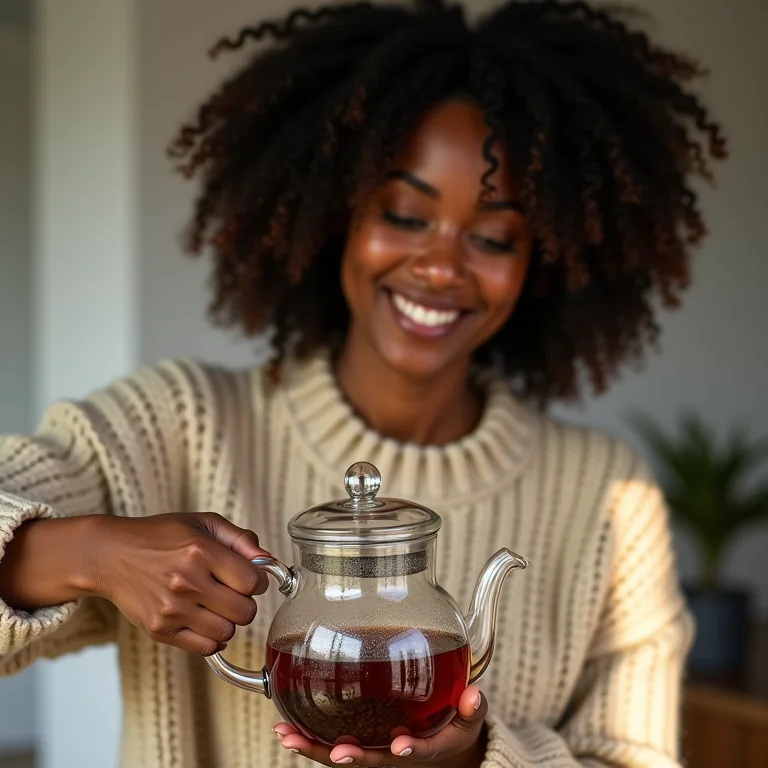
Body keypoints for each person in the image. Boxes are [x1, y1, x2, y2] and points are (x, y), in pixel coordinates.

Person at [0, 1, 727, 766]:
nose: (441, 267)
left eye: (490, 237)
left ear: (546, 259)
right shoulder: (174, 425)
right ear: (332, 213)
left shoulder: (610, 496)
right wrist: (85, 551)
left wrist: (479, 758)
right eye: (405, 214)